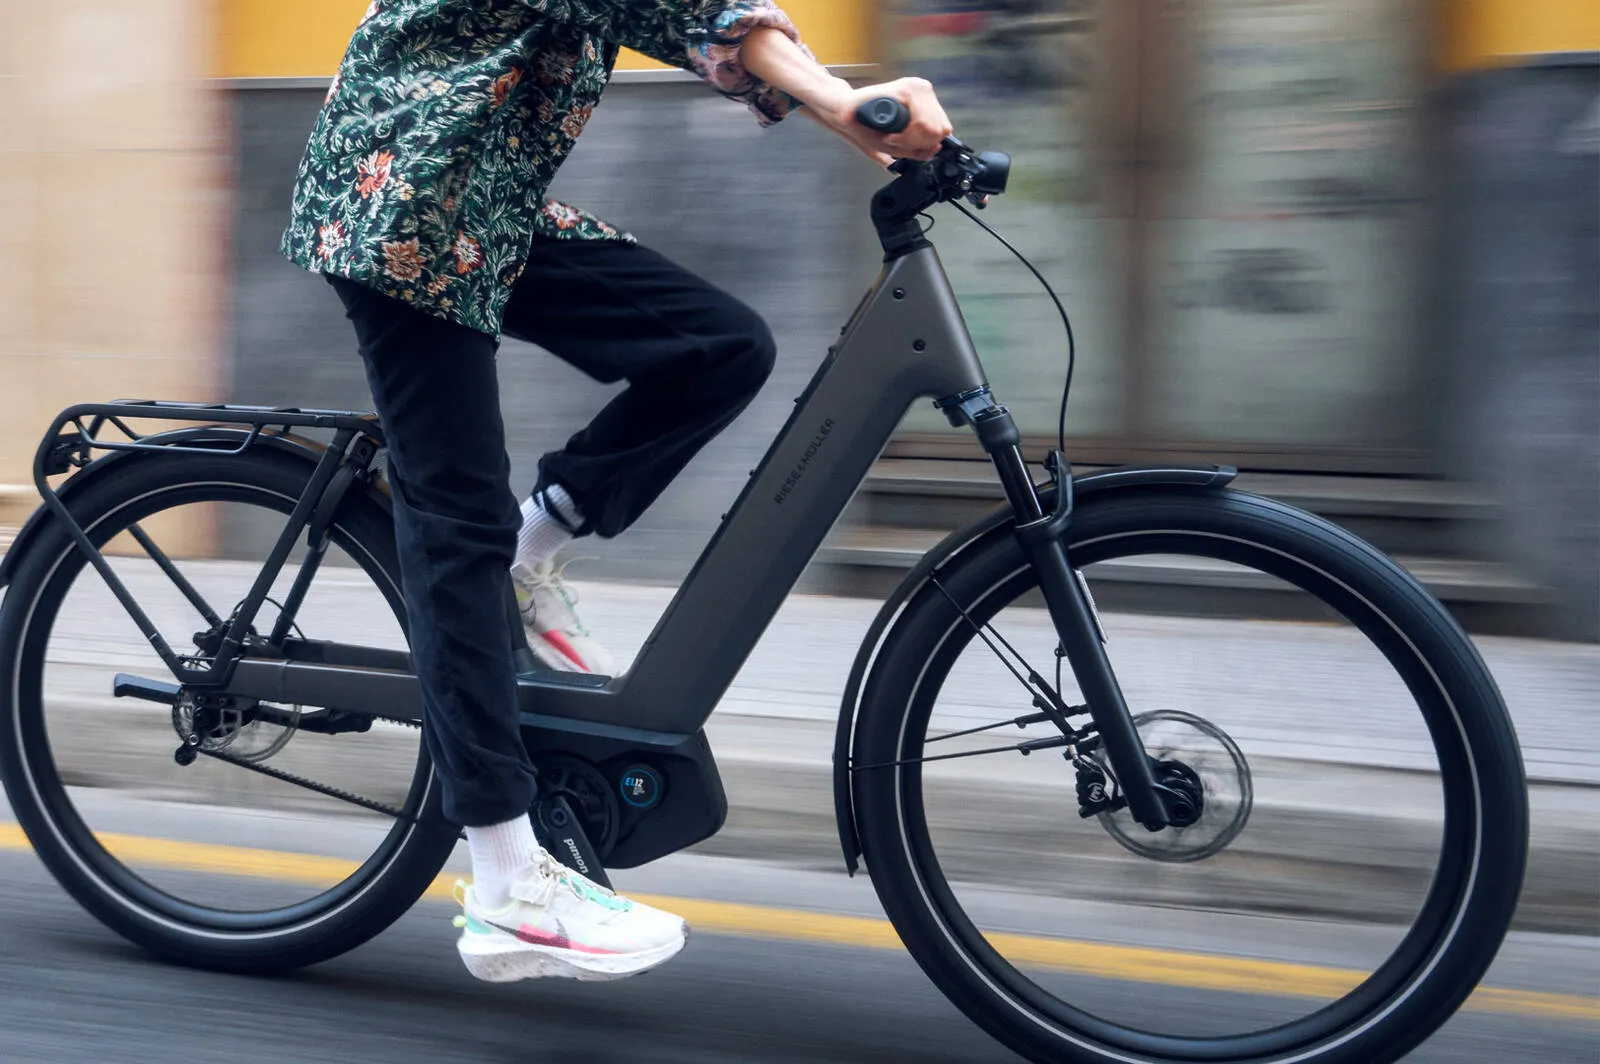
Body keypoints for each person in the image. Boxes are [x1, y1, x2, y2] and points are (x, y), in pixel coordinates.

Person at [281, 0, 951, 984]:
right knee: (454, 516)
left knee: (718, 347)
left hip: (492, 198)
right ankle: (507, 878)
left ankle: (528, 552)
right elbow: (682, 8)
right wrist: (843, 101)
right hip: (408, 200)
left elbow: (715, 26)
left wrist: (857, 116)